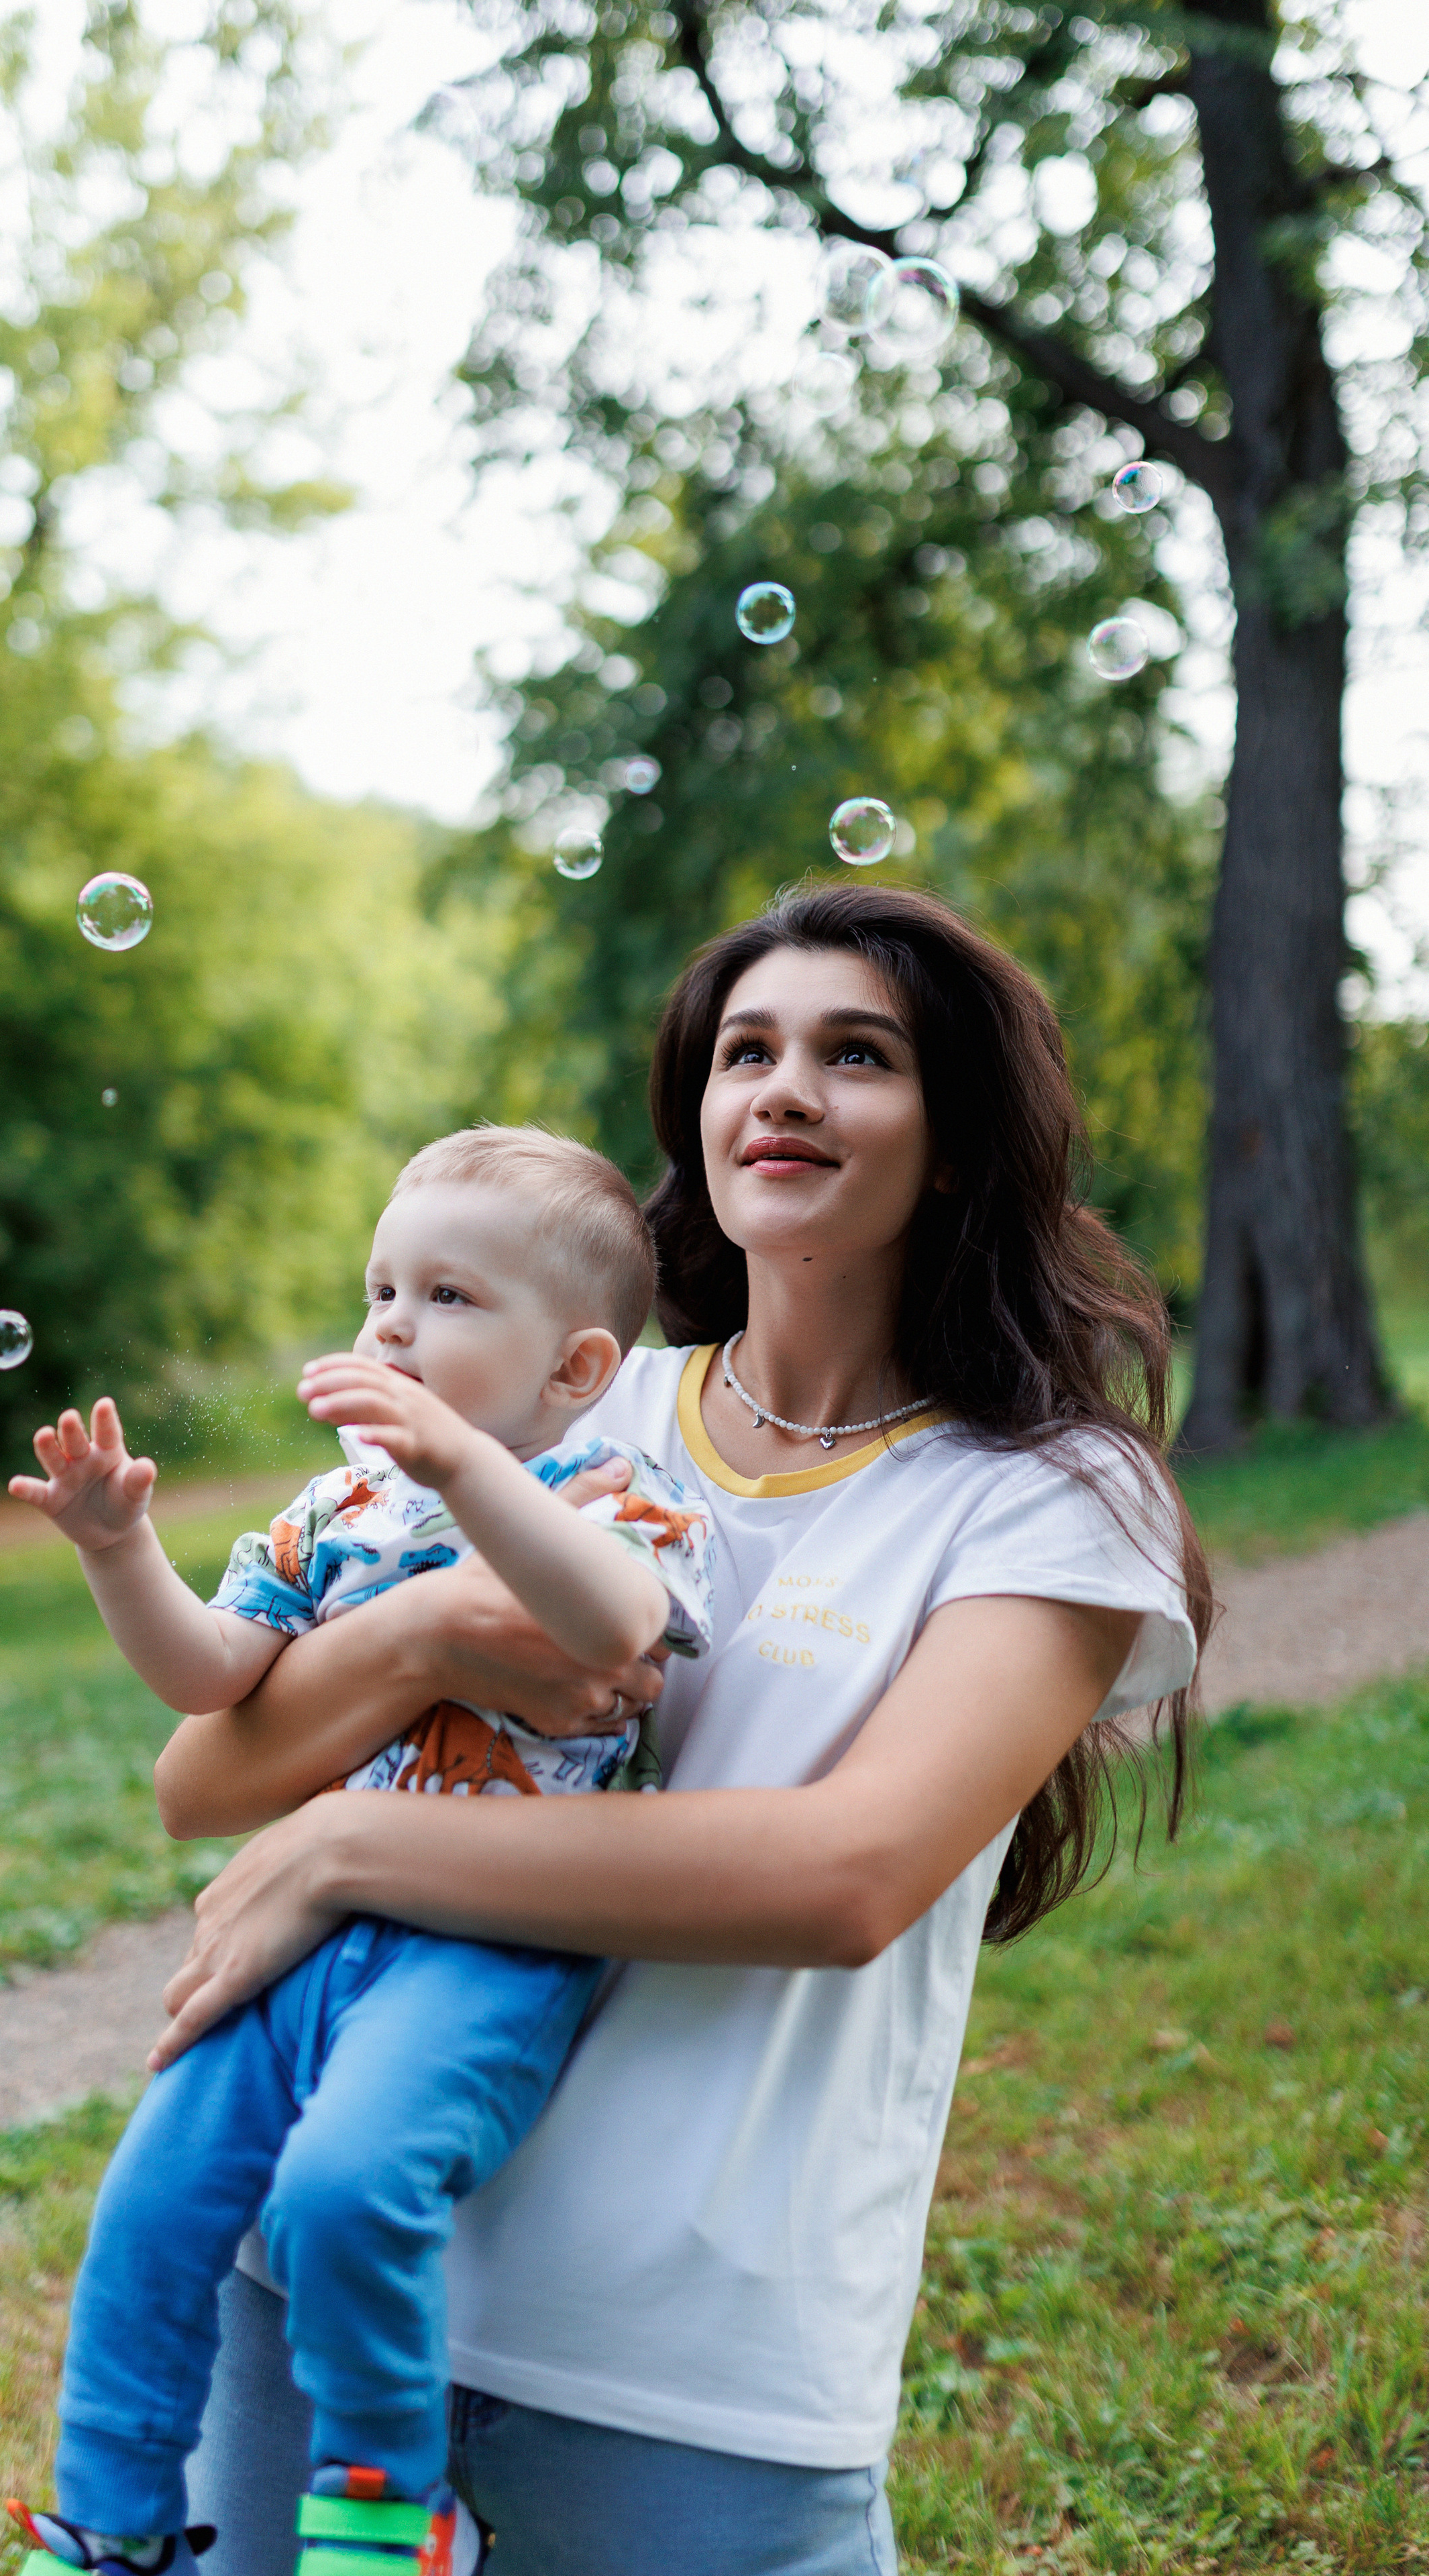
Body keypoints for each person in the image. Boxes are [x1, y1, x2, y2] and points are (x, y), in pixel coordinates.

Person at [147, 882, 1212, 2576]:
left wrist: (353, 1845)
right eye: (745, 1051)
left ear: (952, 1141)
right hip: (322, 2279)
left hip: (684, 2377)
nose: (781, 1089)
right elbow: (205, 1779)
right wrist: (427, 1625)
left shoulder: (1046, 1500)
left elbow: (845, 1876)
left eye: (853, 1054)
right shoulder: (554, 1404)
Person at [1, 1129, 714, 2576]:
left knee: (342, 2188)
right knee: (151, 2199)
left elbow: (609, 1628)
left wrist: (459, 1459)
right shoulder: (331, 1512)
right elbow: (209, 1680)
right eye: (380, 1289)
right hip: (305, 1940)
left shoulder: (608, 1491)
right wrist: (115, 1551)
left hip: (482, 1948)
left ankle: (391, 2504)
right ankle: (115, 2524)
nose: (390, 1323)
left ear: (573, 1371)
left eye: (448, 1298)